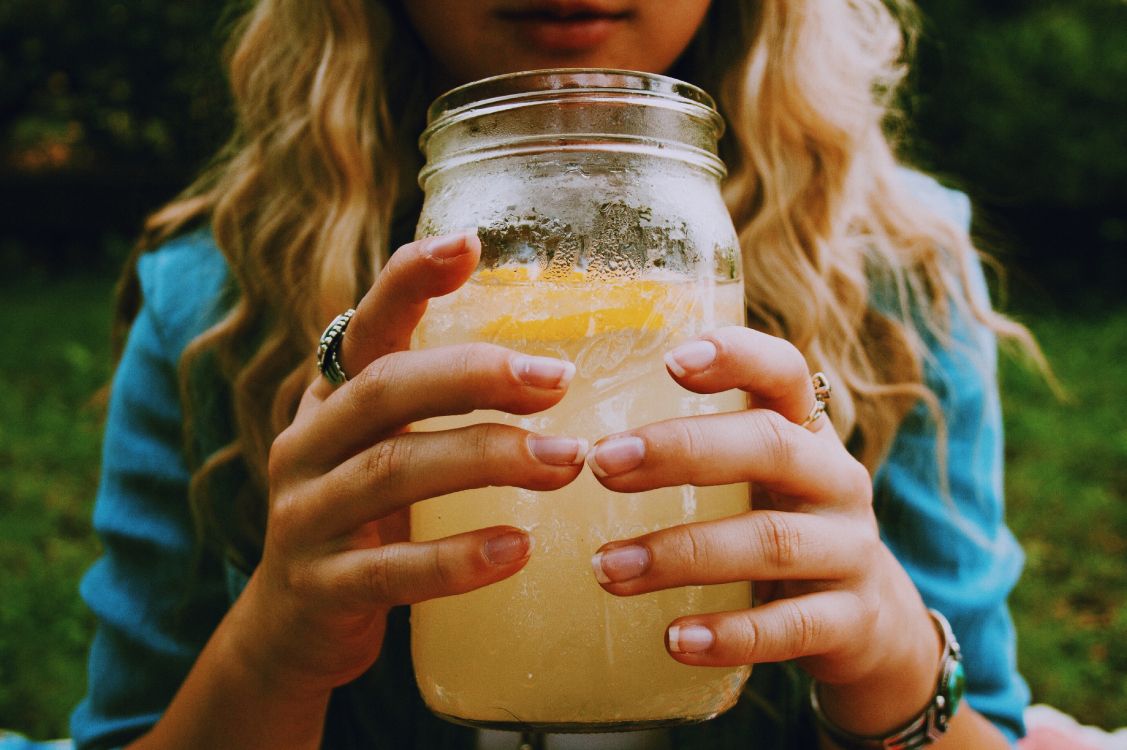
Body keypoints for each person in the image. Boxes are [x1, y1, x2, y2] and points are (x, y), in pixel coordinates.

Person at [70, 1, 1035, 748]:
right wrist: (274, 645)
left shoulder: (900, 278)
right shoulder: (211, 305)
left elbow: (988, 721)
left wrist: (891, 658)